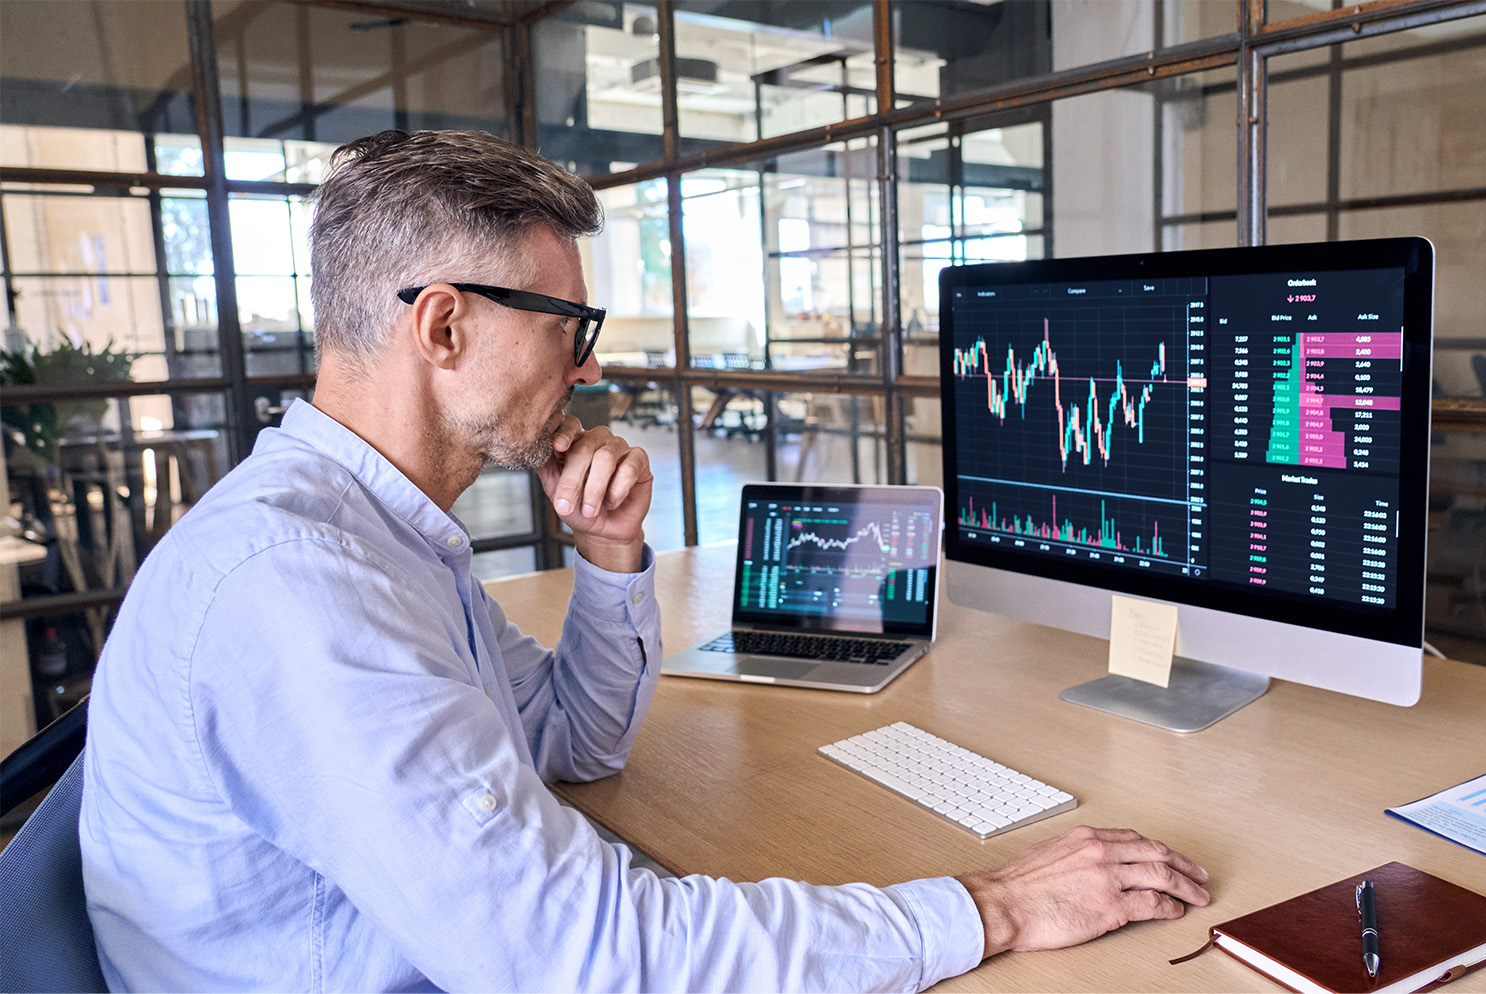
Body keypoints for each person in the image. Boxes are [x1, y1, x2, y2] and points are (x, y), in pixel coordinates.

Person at [79, 129, 1211, 992]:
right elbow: (587, 954)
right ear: (442, 328)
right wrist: (988, 907)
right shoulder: (302, 589)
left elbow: (570, 745)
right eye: (566, 326)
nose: (580, 367)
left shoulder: (381, 541)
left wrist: (612, 563)